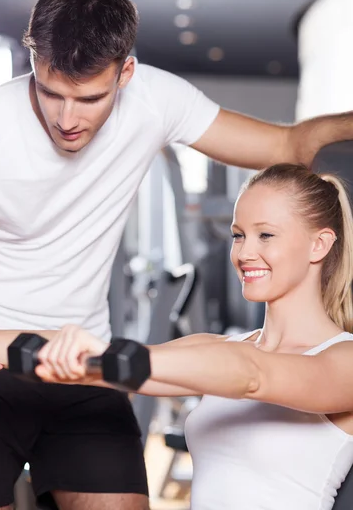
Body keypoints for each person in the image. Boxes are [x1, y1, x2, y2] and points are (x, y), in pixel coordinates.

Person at [0, 0, 353, 510]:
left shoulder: (156, 99)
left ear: (126, 74)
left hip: (86, 362)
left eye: (89, 98)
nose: (67, 119)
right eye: (51, 92)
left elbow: (287, 143)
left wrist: (98, 357)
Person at [34, 163, 353, 510]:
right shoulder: (219, 348)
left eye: (266, 235)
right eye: (238, 235)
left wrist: (115, 357)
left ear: (319, 245)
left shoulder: (344, 359)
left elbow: (254, 375)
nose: (244, 253)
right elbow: (100, 363)